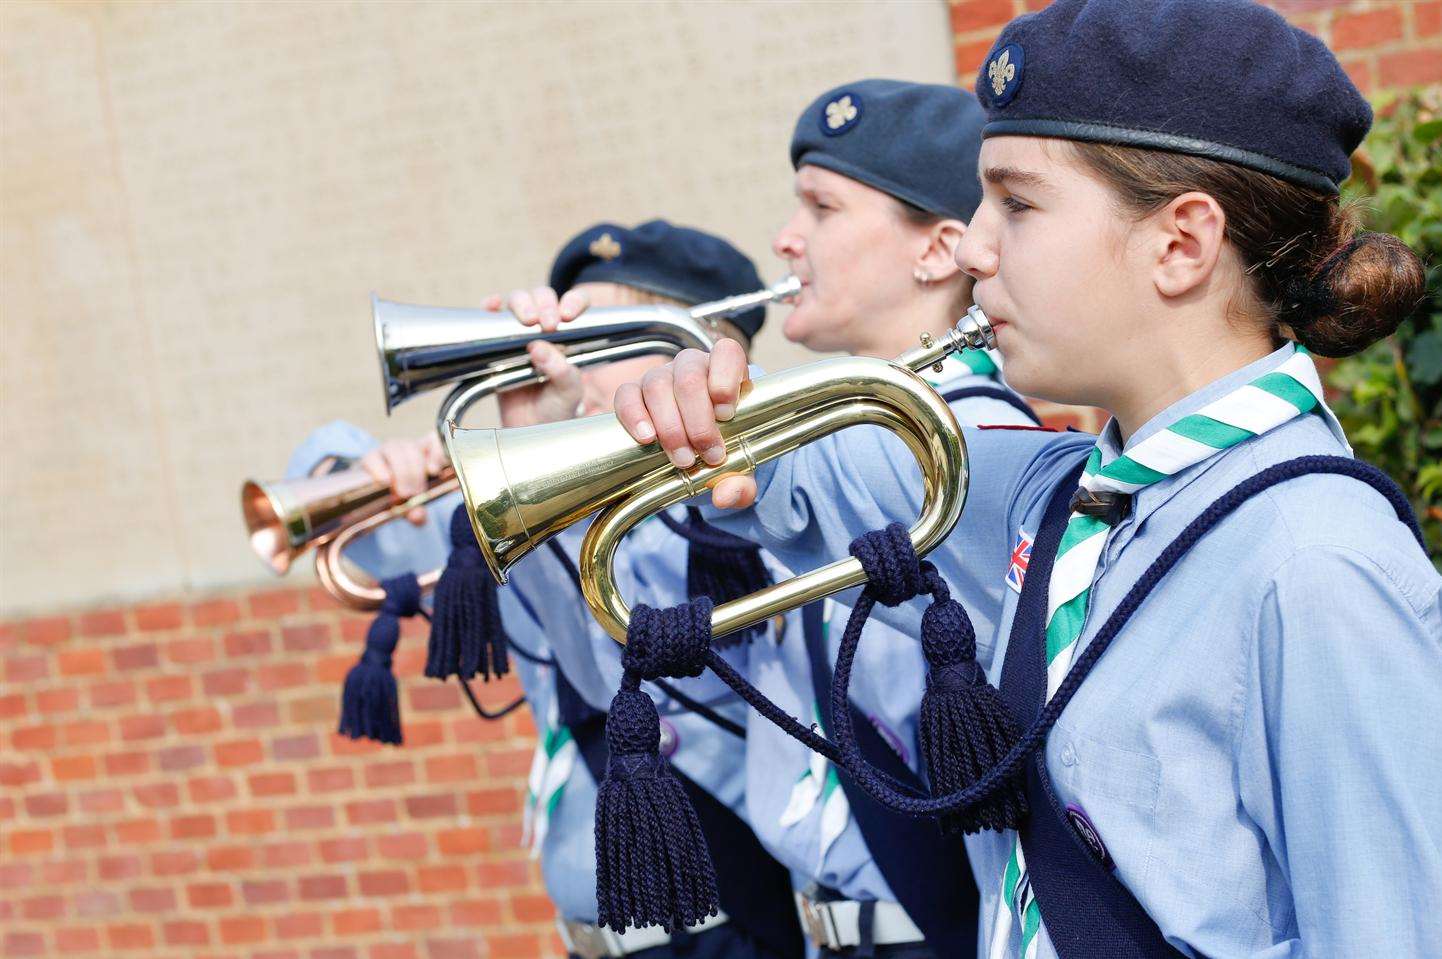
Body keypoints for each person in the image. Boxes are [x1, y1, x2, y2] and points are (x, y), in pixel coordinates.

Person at [606, 3, 1441, 956]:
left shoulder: (1317, 561)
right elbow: (815, 472)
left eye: (1018, 202)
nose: (970, 246)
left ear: (1182, 244)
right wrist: (708, 407)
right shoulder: (1055, 496)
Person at [504, 80, 1039, 958]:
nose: (787, 240)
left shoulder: (962, 440)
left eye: (822, 208)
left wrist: (663, 409)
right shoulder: (841, 443)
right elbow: (637, 675)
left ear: (940, 251)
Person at [291, 220, 804, 959]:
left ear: (696, 349)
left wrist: (541, 495)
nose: (571, 369)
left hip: (725, 926)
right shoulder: (513, 500)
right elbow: (360, 535)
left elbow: (614, 672)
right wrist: (358, 471)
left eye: (599, 341)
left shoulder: (726, 519)